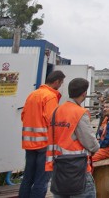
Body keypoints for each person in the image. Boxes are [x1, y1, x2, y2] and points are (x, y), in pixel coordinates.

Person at [45, 78, 99, 198]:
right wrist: (97, 147)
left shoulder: (56, 111)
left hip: (58, 167)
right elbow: (91, 144)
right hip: (78, 169)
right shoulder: (79, 113)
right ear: (84, 93)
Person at [19, 70, 65, 198]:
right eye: (61, 83)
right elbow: (53, 121)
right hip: (44, 144)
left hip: (29, 144)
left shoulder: (32, 95)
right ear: (56, 82)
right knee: (41, 180)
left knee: (28, 178)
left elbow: (24, 116)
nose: (61, 86)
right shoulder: (50, 96)